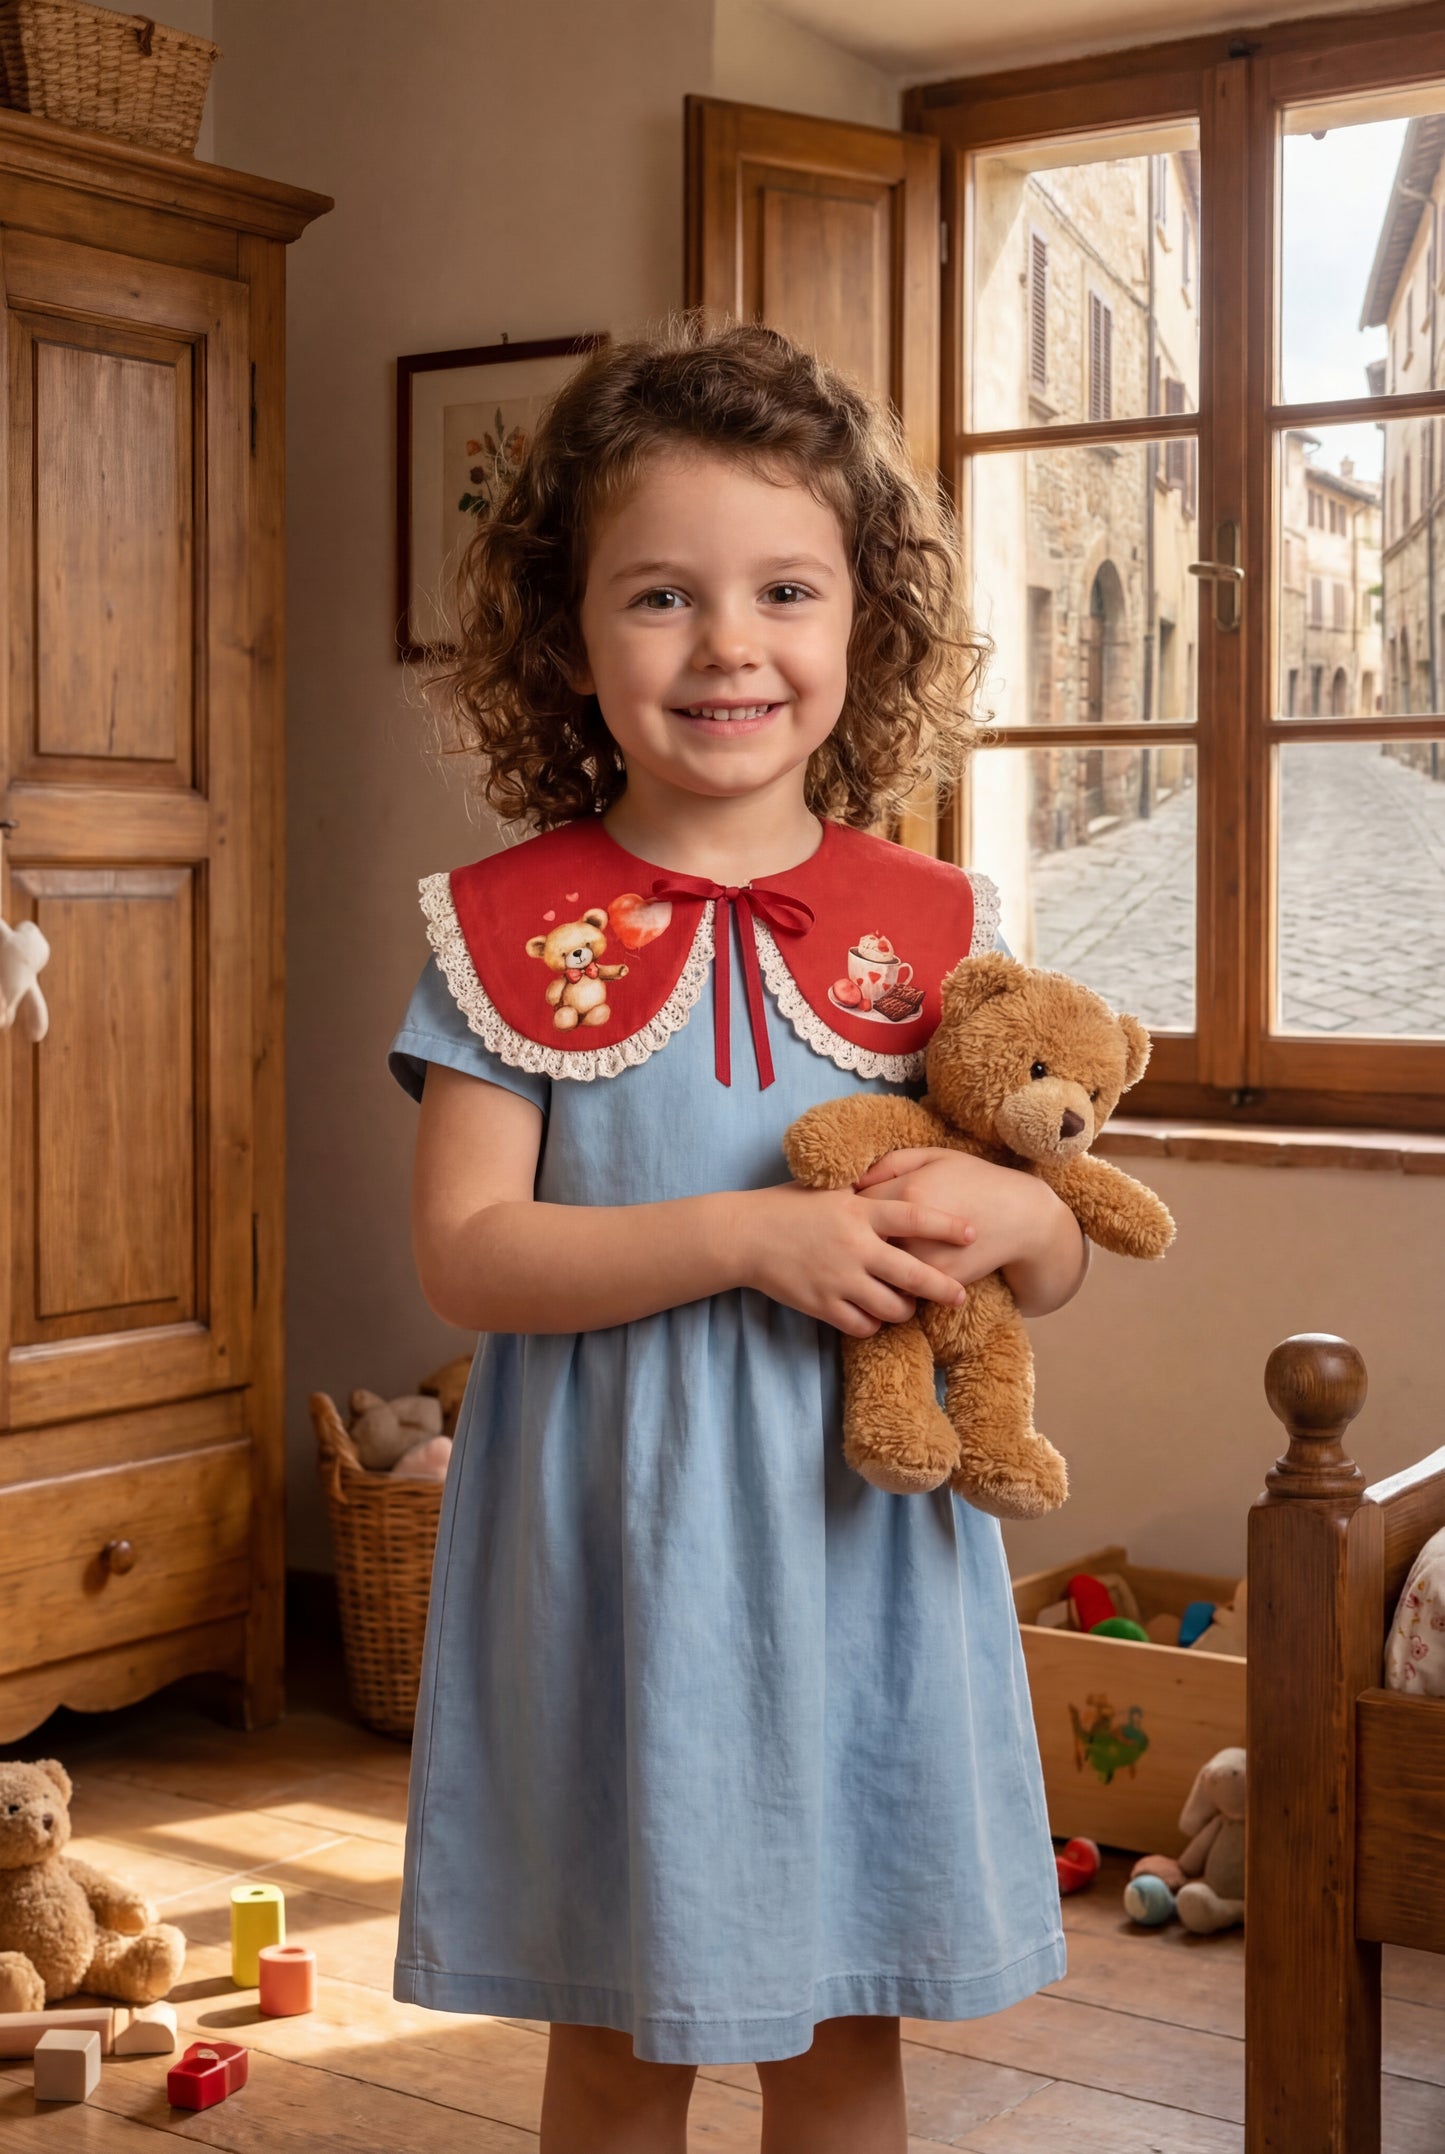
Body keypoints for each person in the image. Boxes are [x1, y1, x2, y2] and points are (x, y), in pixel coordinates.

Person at [388, 318, 1086, 2154]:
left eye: (784, 587)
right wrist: (741, 1237)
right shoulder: (506, 924)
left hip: (858, 1567)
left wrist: (1019, 1204)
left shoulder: (933, 921)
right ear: (566, 634)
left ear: (865, 623)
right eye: (659, 598)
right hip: (617, 1565)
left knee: (847, 2037)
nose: (728, 648)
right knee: (620, 2042)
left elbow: (1052, 1251)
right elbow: (466, 1254)